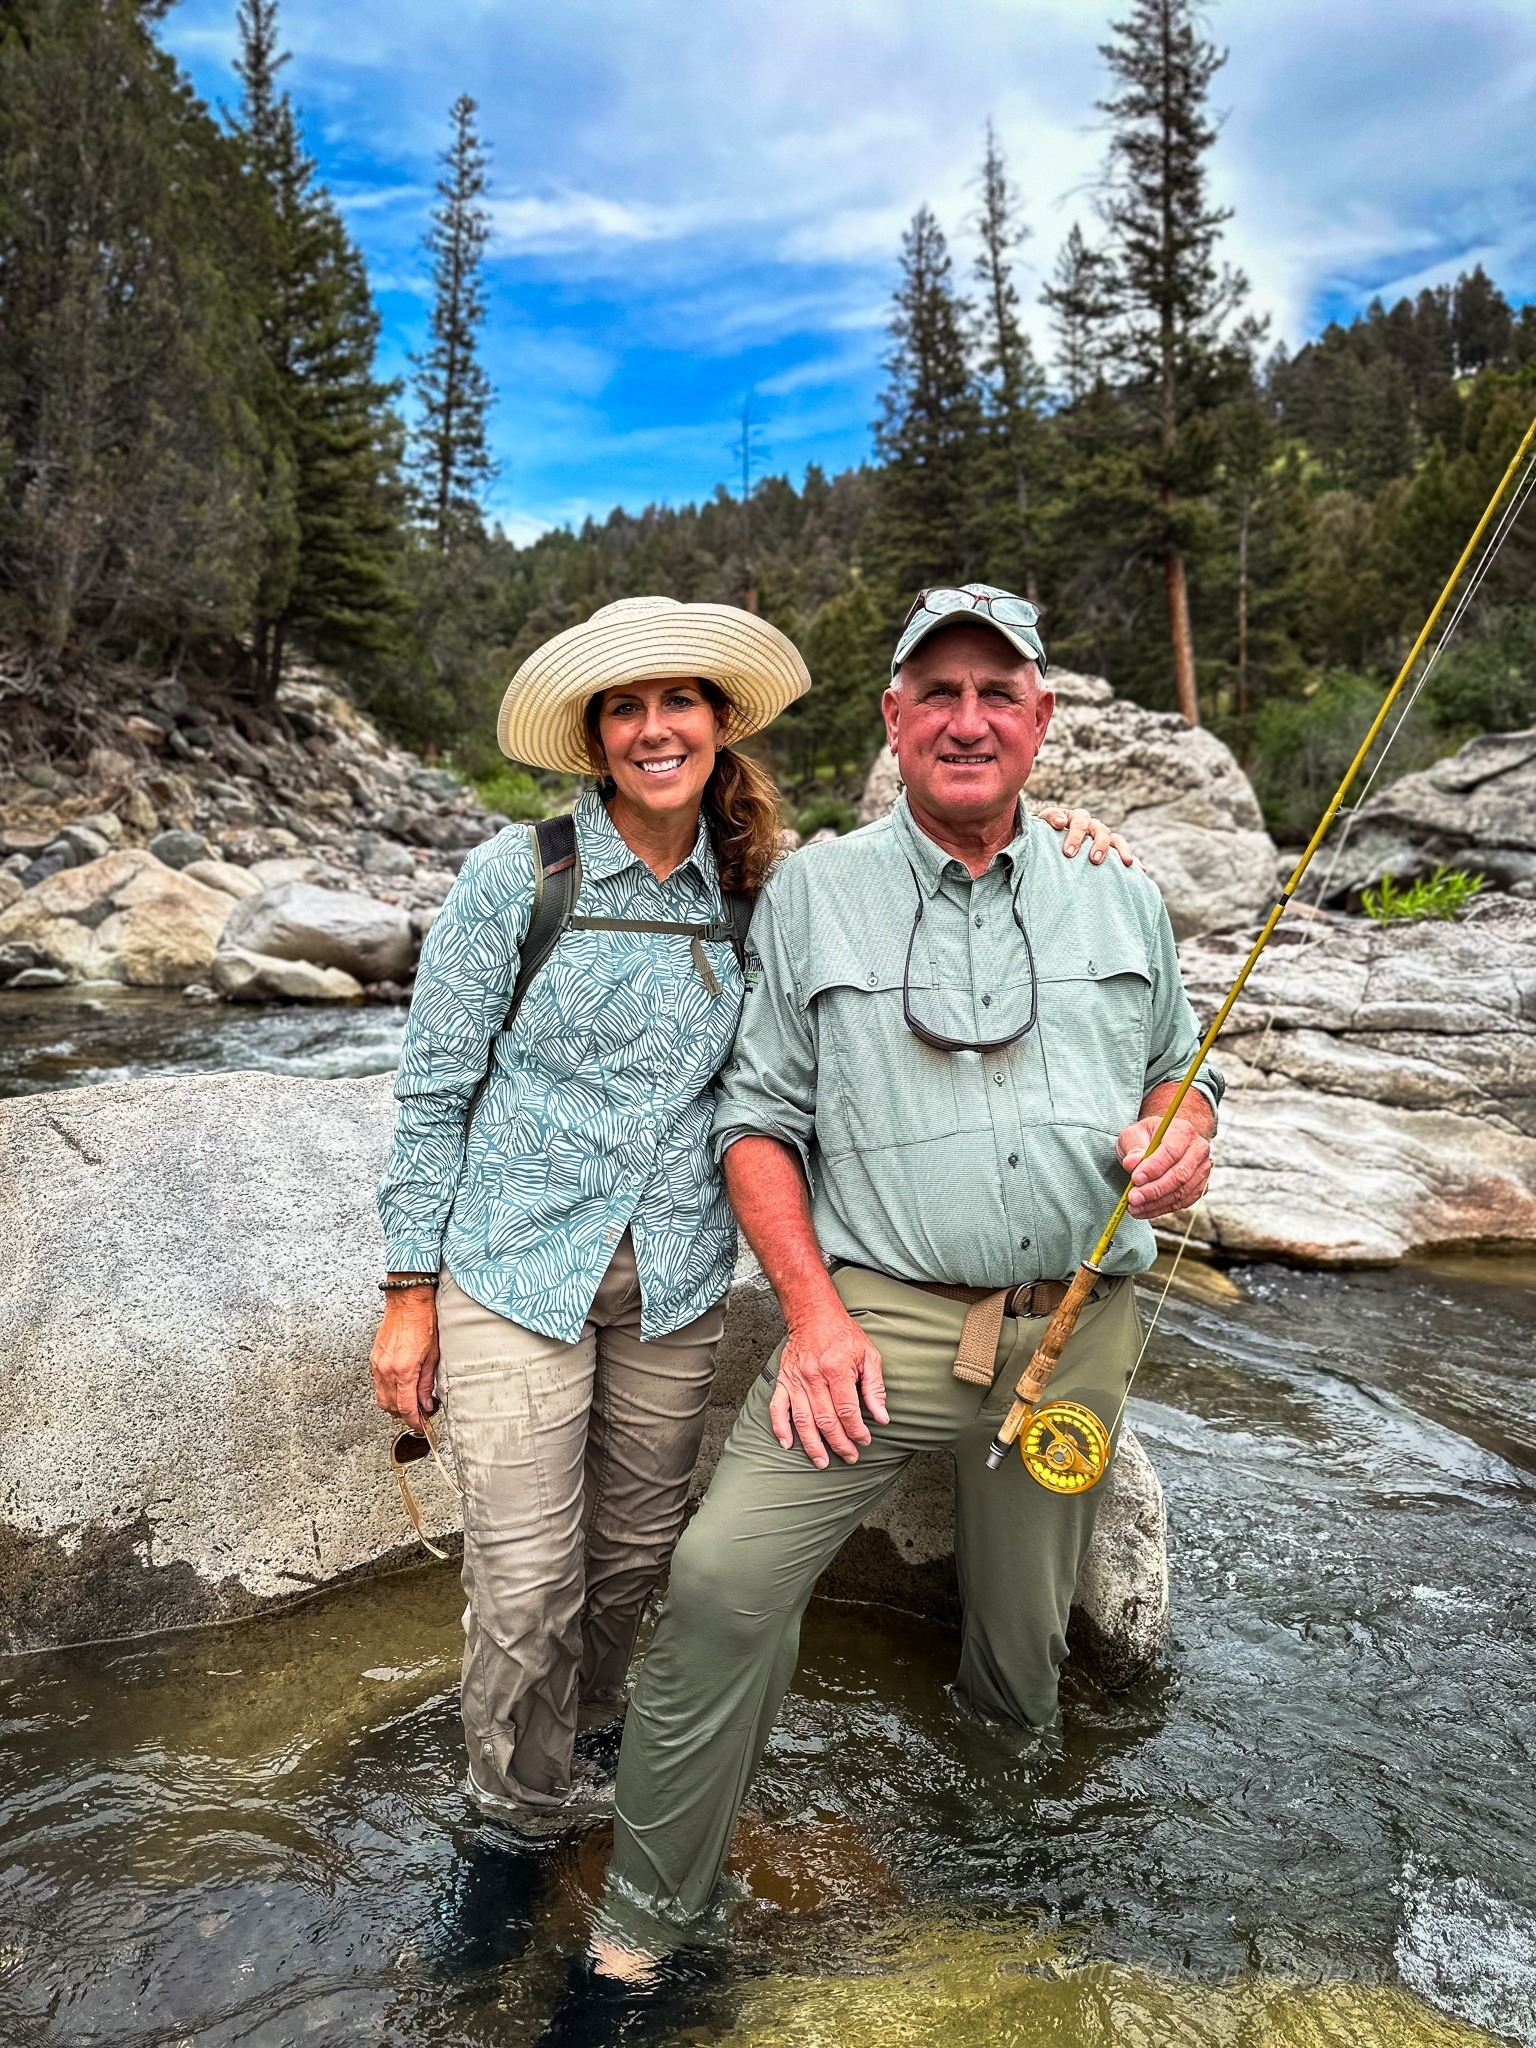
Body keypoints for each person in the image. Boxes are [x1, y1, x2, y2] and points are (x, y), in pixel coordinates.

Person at [369, 592, 1132, 1836]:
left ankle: (598, 1757)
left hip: (671, 1282)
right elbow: (435, 1087)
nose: (656, 729)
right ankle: (511, 1816)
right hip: (513, 1270)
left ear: (720, 725)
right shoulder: (519, 879)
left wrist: (1064, 833)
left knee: (628, 1565)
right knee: (523, 1585)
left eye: (680, 703)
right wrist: (408, 1294)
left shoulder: (764, 886)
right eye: (628, 707)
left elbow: (923, 868)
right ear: (594, 734)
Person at [591, 583, 1221, 1970]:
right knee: (719, 1584)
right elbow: (754, 1119)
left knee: (1021, 1648)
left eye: (999, 692)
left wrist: (1193, 1129)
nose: (967, 718)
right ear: (892, 720)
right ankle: (640, 1938)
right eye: (936, 692)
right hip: (872, 1323)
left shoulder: (1120, 884)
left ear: (1043, 720)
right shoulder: (816, 893)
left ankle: (993, 1891)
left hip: (1082, 1327)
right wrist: (811, 1317)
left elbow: (1186, 1063)